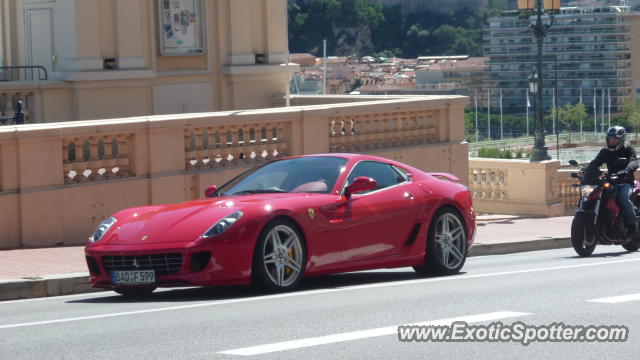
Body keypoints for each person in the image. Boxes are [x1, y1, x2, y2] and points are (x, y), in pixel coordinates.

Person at [584, 125, 639, 239]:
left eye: (614, 138)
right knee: (592, 195)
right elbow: (595, 163)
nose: (611, 140)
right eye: (610, 138)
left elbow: (633, 162)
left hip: (625, 182)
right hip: (611, 182)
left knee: (623, 198)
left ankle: (632, 226)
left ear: (621, 139)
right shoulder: (605, 151)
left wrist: (625, 171)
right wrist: (587, 171)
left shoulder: (628, 149)